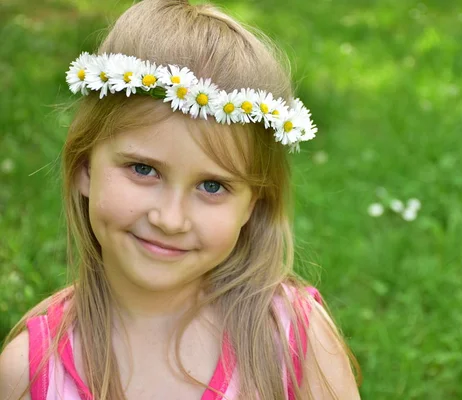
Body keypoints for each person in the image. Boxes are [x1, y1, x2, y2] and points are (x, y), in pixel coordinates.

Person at [0, 0, 361, 399]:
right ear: (85, 167)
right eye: (143, 169)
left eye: (212, 186)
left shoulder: (293, 339)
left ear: (253, 204)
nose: (170, 220)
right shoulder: (31, 373)